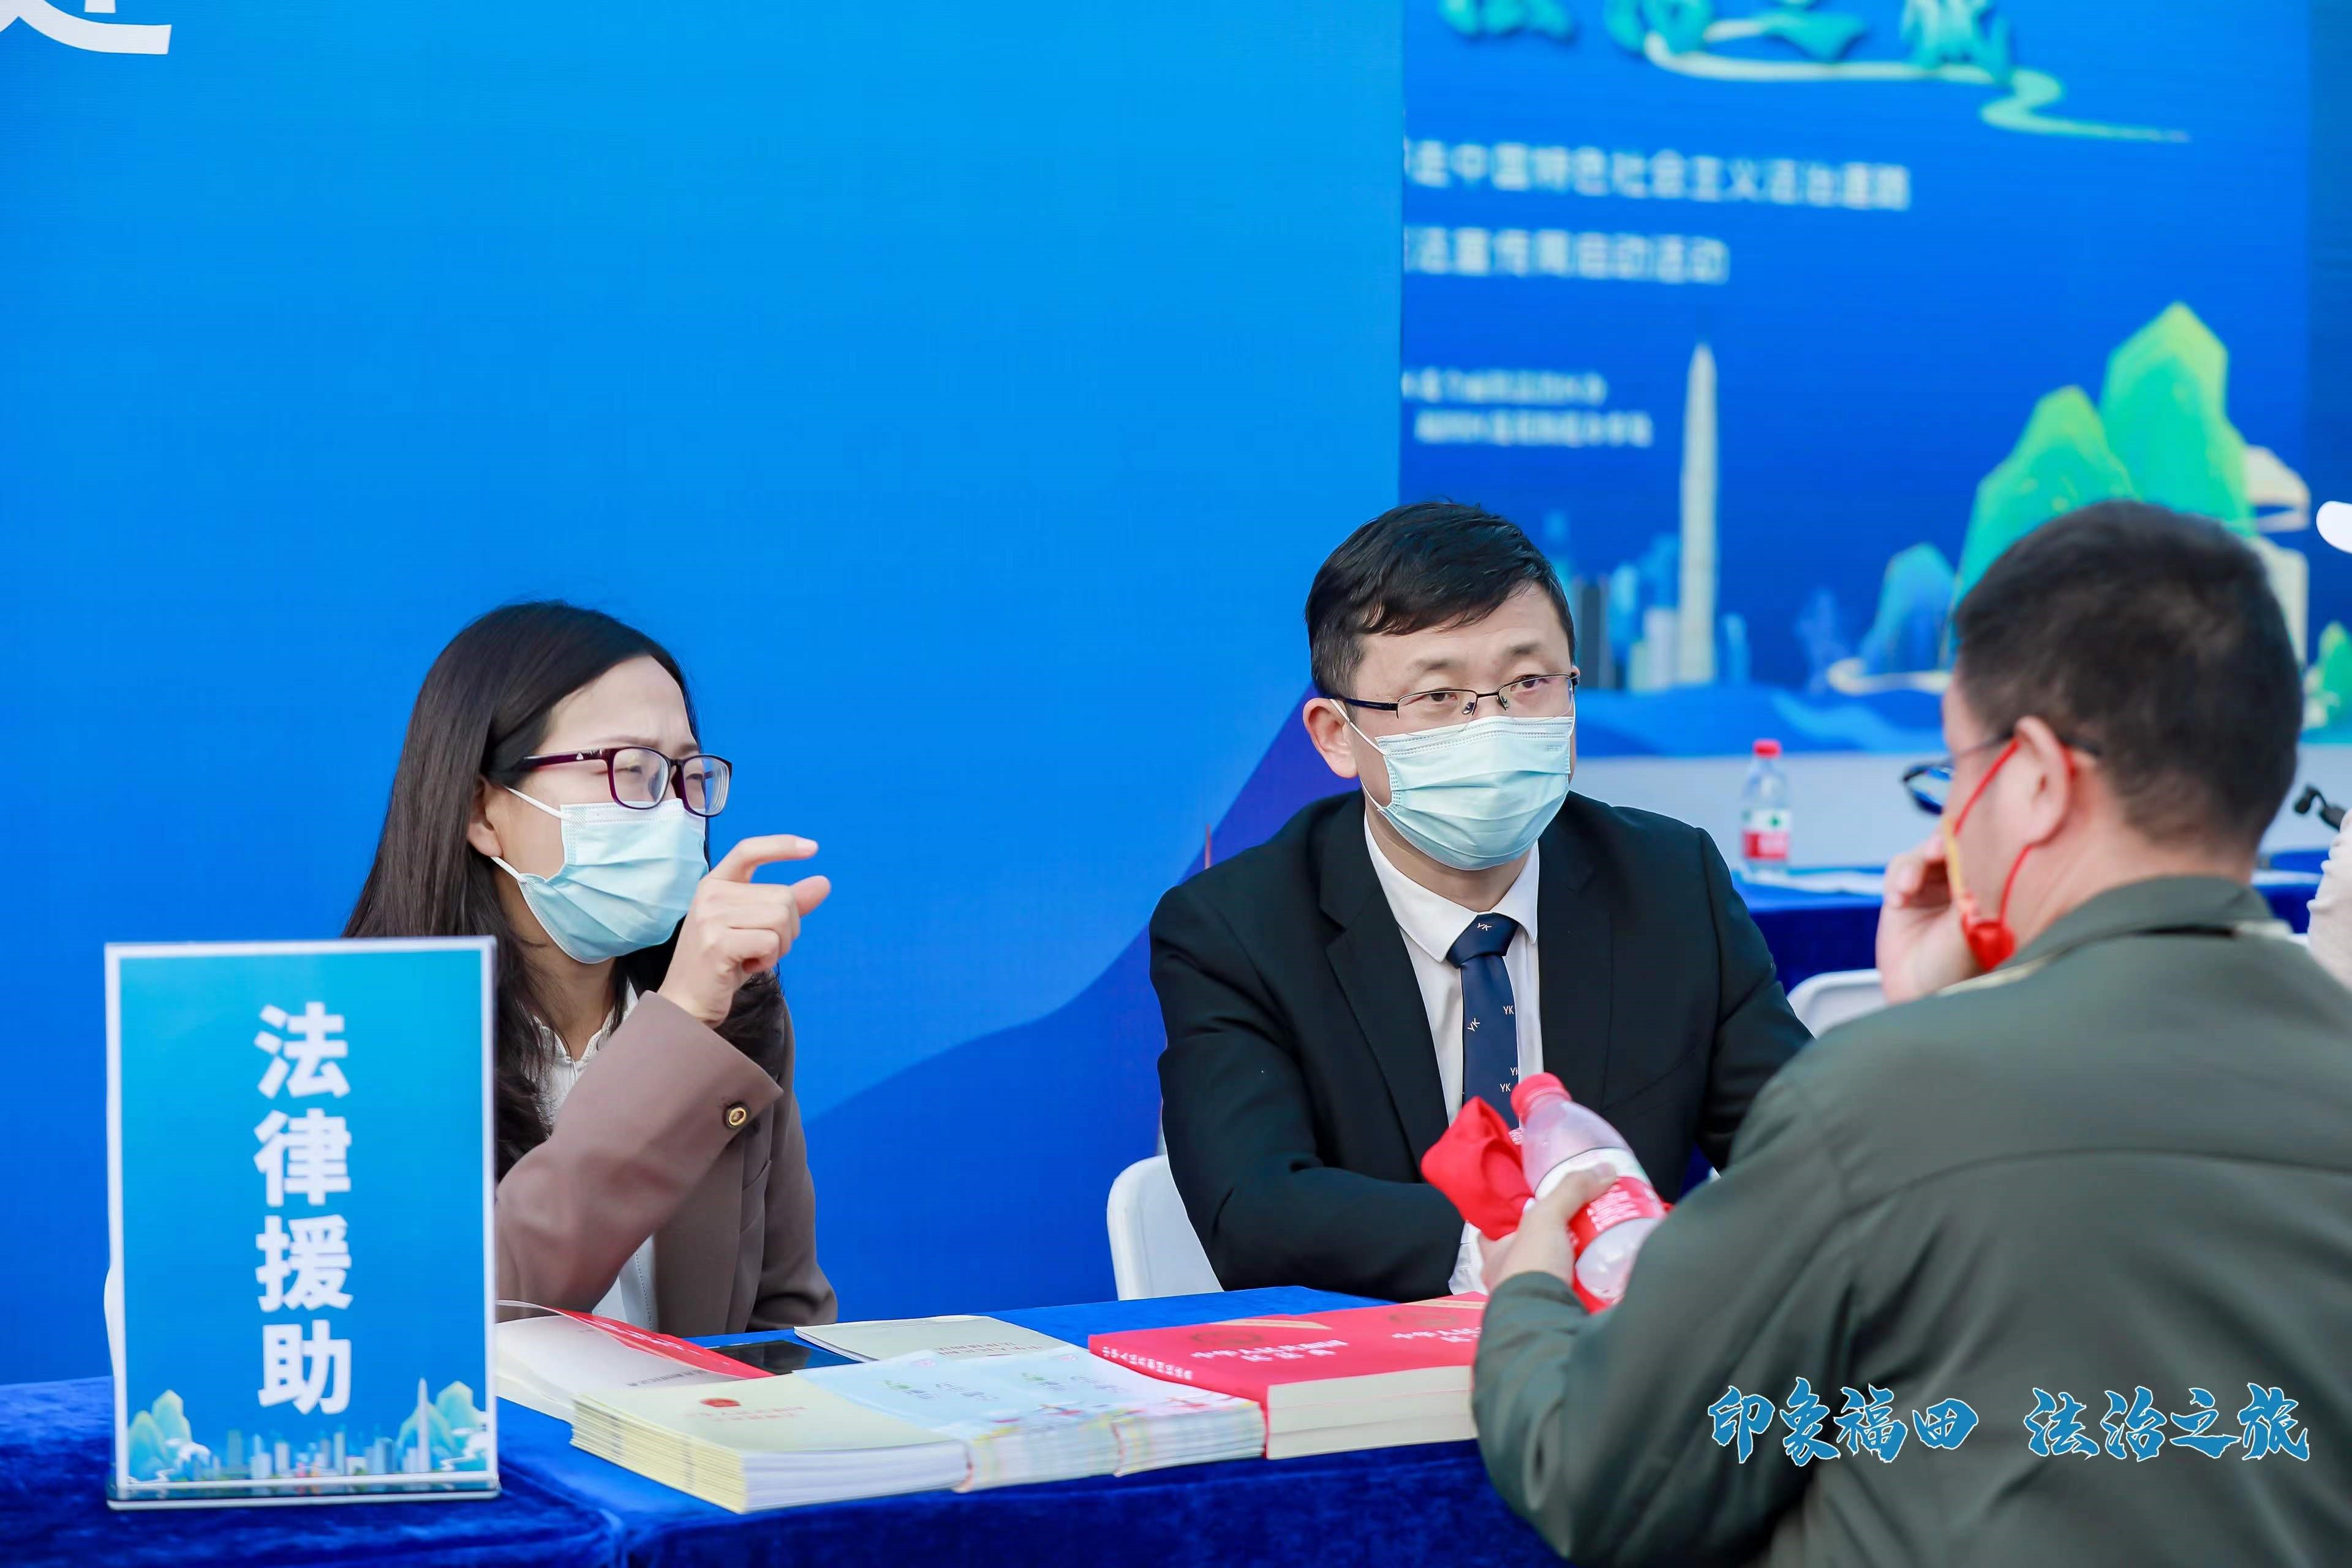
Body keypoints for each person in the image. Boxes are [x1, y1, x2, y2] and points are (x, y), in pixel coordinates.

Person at [1472, 500, 2352, 1566]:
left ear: (2036, 779)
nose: (1953, 811)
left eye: (1957, 767)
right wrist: (1935, 1022)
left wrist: (1527, 1295)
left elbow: (1608, 1476)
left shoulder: (1882, 1103)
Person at [1149, 502, 1808, 1301]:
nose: (1492, 725)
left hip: (1617, 1362)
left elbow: (1814, 1160)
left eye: (1528, 684)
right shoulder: (1236, 928)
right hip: (1378, 1366)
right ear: (1336, 735)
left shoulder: (1668, 883)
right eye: (1439, 696)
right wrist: (1498, 1252)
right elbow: (1256, 1211)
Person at [346, 601, 837, 1333]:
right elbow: (466, 1317)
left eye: (685, 774)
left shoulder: (736, 1010)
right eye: (630, 769)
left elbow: (783, 1324)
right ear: (482, 810)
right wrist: (677, 1030)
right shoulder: (355, 1039)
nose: (672, 811)